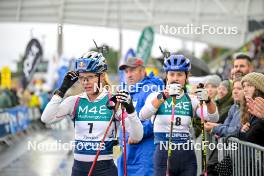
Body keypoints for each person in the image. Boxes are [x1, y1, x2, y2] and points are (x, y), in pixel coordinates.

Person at [41, 51, 143, 176]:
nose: (85, 82)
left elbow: (137, 136)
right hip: (79, 169)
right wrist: (62, 90)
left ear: (101, 76)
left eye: (90, 77)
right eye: (82, 77)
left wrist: (131, 110)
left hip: (105, 170)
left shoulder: (113, 101)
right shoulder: (75, 101)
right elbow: (46, 118)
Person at [139, 54, 219, 176]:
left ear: (186, 77)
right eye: (172, 74)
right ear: (166, 76)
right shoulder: (156, 96)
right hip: (163, 156)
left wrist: (208, 100)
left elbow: (213, 117)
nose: (175, 78)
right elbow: (142, 115)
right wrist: (164, 97)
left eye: (180, 74)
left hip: (187, 157)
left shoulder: (191, 99)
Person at [117, 57, 164, 176]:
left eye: (132, 70)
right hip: (126, 152)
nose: (129, 75)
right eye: (126, 72)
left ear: (142, 71)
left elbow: (156, 120)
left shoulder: (151, 89)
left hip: (144, 153)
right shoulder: (125, 91)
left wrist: (137, 134)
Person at [238, 72, 264, 147]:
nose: (245, 90)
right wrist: (242, 131)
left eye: (249, 85)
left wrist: (242, 133)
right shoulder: (248, 109)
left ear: (258, 88)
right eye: (244, 86)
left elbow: (251, 137)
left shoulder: (261, 109)